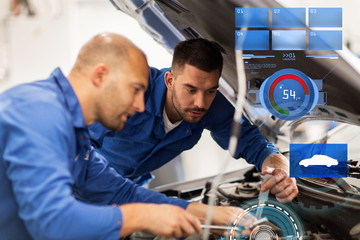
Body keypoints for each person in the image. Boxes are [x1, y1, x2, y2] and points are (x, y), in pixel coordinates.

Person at [0, 33, 243, 240]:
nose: (140, 105)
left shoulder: (75, 133)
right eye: (136, 89)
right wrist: (140, 217)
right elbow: (52, 221)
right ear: (100, 75)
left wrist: (201, 212)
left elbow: (122, 192)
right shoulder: (40, 112)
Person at [89, 38, 298, 203]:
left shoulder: (212, 105)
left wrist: (281, 170)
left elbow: (255, 144)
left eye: (210, 91)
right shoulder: (129, 91)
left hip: (131, 191)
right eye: (191, 89)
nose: (200, 103)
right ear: (170, 80)